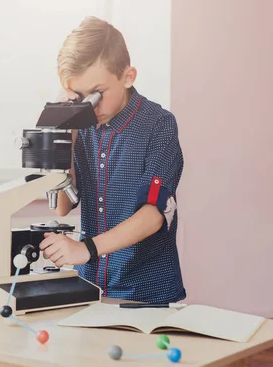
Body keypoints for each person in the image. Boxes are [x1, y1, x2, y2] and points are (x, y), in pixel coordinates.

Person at [39, 16, 186, 303]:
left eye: (97, 94)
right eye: (79, 96)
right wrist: (64, 138)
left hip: (147, 292)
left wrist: (87, 249)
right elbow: (62, 208)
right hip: (89, 286)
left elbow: (154, 215)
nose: (90, 107)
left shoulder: (159, 125)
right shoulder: (83, 128)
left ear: (128, 77)